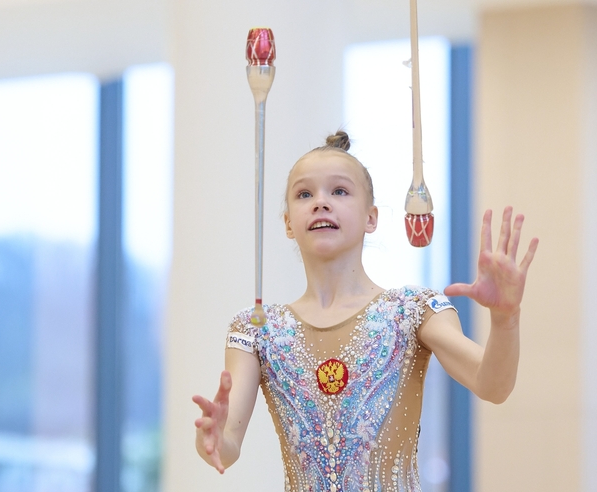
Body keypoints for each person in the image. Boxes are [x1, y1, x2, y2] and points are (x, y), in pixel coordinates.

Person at [192, 131, 538, 491]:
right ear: (288, 224)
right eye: (304, 194)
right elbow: (227, 445)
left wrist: (505, 319)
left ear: (371, 217)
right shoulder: (256, 328)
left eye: (339, 191)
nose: (320, 203)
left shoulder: (412, 311)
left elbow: (493, 385)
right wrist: (210, 438)